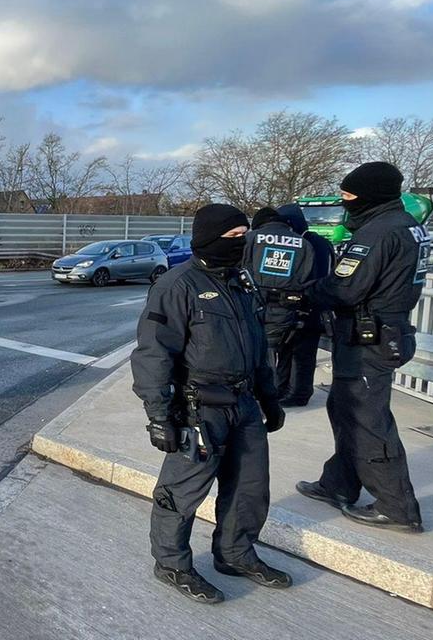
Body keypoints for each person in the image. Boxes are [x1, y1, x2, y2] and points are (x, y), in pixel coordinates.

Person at [132, 203, 289, 604]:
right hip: (198, 408)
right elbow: (154, 354)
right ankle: (171, 562)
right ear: (208, 239)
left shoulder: (243, 281)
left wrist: (269, 397)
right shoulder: (177, 285)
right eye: (234, 237)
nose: (243, 243)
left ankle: (235, 554)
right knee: (181, 492)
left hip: (245, 403)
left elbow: (257, 346)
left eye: (245, 236)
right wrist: (158, 415)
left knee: (250, 488)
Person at [297, 162, 429, 534]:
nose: (344, 203)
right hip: (385, 331)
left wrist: (306, 293)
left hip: (368, 338)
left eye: (348, 197)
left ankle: (396, 506)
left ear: (369, 196)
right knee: (345, 409)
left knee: (368, 421)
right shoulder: (407, 226)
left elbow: (346, 288)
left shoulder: (378, 233)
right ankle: (338, 483)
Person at [241, 206, 322, 407]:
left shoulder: (251, 238)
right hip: (288, 307)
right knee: (279, 351)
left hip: (254, 304)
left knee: (254, 352)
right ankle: (272, 393)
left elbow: (240, 269)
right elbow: (308, 278)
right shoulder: (303, 244)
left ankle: (256, 396)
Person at [273, 204, 334, 406]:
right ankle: (283, 390)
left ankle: (298, 393)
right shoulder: (315, 242)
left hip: (310, 306)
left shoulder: (311, 243)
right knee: (287, 351)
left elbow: (315, 275)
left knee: (302, 354)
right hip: (303, 305)